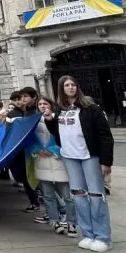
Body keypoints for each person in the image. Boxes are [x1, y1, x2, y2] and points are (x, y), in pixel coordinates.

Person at [44, 76, 114, 252]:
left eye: (73, 84)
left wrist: (106, 161)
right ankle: (88, 234)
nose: (70, 88)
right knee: (78, 196)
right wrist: (49, 120)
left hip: (89, 156)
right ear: (61, 88)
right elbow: (59, 133)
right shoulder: (60, 109)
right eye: (66, 85)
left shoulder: (91, 108)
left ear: (78, 87)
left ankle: (102, 237)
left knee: (97, 196)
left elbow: (105, 135)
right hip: (70, 157)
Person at [27, 96, 77, 237]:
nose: (42, 106)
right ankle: (54, 220)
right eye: (40, 104)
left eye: (45, 103)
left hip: (58, 160)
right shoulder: (34, 121)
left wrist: (54, 150)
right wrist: (36, 149)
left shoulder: (59, 118)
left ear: (51, 105)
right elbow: (29, 141)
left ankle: (71, 222)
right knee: (48, 195)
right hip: (42, 161)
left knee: (68, 195)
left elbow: (66, 138)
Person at [7, 89, 41, 213]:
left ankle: (37, 200)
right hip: (19, 149)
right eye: (16, 99)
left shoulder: (33, 111)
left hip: (36, 148)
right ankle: (34, 199)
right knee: (23, 175)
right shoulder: (12, 114)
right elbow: (9, 130)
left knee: (36, 175)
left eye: (22, 98)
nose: (20, 101)